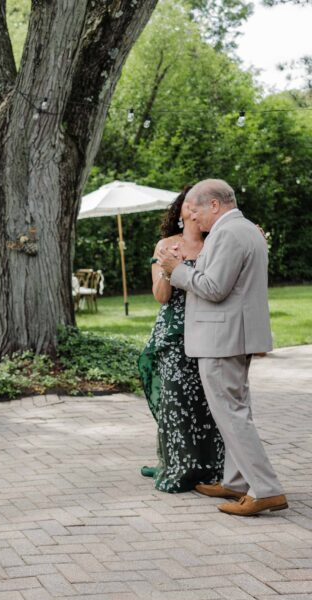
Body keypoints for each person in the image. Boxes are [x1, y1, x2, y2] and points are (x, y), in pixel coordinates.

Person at [157, 179, 285, 516]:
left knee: (231, 414)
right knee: (236, 409)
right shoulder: (247, 230)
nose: (194, 219)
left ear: (214, 205)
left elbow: (214, 287)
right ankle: (235, 482)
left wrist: (177, 270)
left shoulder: (228, 233)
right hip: (235, 335)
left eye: (196, 211)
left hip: (221, 338)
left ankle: (266, 489)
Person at [138, 188, 225, 492]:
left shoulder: (216, 244)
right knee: (175, 402)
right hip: (174, 333)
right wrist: (165, 270)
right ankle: (178, 467)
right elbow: (161, 298)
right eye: (192, 205)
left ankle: (211, 467)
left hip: (209, 332)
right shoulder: (165, 245)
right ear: (184, 210)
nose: (196, 211)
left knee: (207, 402)